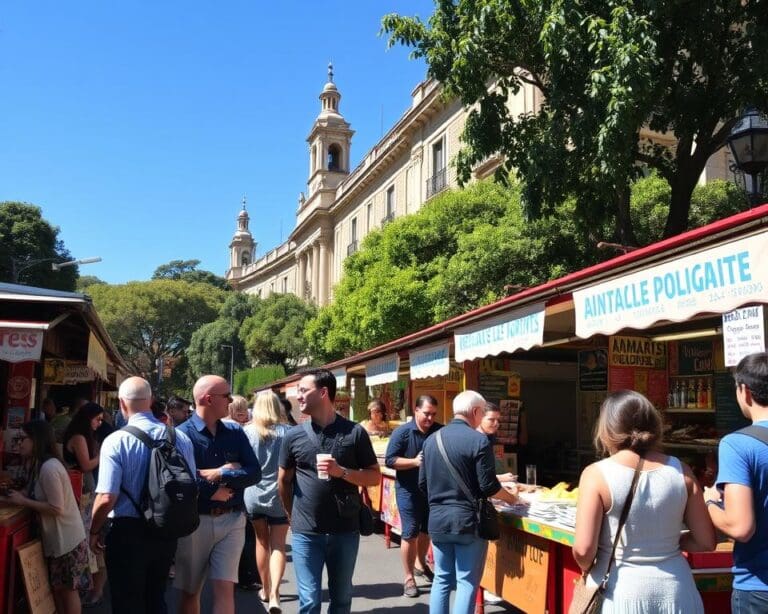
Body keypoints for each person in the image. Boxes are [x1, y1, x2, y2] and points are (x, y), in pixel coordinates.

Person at [573, 389, 715, 613]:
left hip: (620, 592)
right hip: (677, 591)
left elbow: (583, 549)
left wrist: (586, 568)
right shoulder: (681, 470)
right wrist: (666, 543)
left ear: (608, 428)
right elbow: (706, 541)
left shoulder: (596, 474)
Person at [90, 376, 196, 614]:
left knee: (126, 600)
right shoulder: (181, 438)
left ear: (121, 403)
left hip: (127, 531)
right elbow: (191, 486)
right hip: (166, 530)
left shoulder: (115, 441)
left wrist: (94, 530)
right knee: (156, 597)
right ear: (150, 401)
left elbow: (107, 496)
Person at [278, 368, 380, 614]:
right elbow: (283, 480)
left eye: (303, 390)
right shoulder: (293, 436)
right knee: (310, 601)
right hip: (306, 533)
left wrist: (342, 472)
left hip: (345, 530)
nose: (298, 396)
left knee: (342, 598)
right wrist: (292, 515)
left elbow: (374, 476)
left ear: (323, 392)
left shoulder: (354, 432)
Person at [420, 390, 520, 614]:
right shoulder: (479, 440)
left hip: (437, 519)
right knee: (466, 582)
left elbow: (422, 483)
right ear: (475, 411)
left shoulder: (431, 440)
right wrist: (512, 498)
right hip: (467, 521)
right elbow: (489, 486)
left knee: (442, 579)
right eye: (483, 412)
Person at [176, 375, 262, 614]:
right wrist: (214, 490)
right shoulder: (182, 435)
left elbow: (254, 472)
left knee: (225, 590)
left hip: (233, 520)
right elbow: (180, 481)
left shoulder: (234, 432)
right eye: (226, 395)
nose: (231, 401)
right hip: (195, 523)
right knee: (191, 592)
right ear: (208, 399)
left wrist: (220, 473)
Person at [3, 420, 90, 614]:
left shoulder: (49, 468)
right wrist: (16, 496)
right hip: (59, 541)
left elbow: (56, 508)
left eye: (22, 439)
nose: (19, 444)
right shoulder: (39, 465)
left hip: (67, 542)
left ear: (36, 440)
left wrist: (22, 501)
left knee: (67, 591)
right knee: (59, 589)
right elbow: (33, 491)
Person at [704, 352, 768, 612]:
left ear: (745, 391)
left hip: (758, 587)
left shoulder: (737, 445)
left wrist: (708, 501)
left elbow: (741, 527)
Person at [385, 394, 442, 597]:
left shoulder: (439, 431)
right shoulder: (402, 432)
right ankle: (408, 577)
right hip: (408, 490)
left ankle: (422, 565)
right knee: (409, 532)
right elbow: (390, 460)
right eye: (426, 413)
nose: (430, 418)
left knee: (426, 531)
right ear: (416, 410)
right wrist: (414, 462)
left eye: (433, 414)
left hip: (431, 491)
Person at [244, 391, 291, 613]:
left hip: (253, 494)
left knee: (261, 542)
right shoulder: (288, 433)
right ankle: (275, 594)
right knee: (278, 545)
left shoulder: (247, 432)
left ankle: (264, 588)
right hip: (281, 495)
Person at [62, 402, 107, 607]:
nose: (99, 423)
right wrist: (102, 454)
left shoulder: (86, 437)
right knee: (87, 542)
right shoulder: (79, 437)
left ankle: (94, 587)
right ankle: (90, 587)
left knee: (91, 542)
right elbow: (86, 464)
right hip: (81, 495)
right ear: (87, 418)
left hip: (86, 494)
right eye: (97, 419)